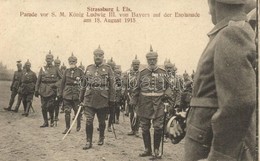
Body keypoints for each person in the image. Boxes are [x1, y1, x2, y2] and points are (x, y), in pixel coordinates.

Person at [183, 0, 256, 160]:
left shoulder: (232, 32)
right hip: (204, 141)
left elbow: (238, 104)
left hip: (210, 147)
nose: (209, 12)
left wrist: (220, 155)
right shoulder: (227, 32)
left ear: (213, 4)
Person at [130, 46, 170, 158]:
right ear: (147, 60)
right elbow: (137, 88)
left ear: (156, 60)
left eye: (154, 60)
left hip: (159, 104)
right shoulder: (142, 73)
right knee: (145, 127)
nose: (152, 62)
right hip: (144, 103)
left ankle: (156, 150)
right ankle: (147, 149)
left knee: (158, 127)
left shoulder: (163, 72)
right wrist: (133, 100)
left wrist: (166, 94)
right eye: (149, 60)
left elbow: (169, 87)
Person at [80, 46, 115, 150]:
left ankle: (101, 137)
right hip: (89, 98)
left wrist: (112, 100)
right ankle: (88, 141)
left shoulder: (108, 69)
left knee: (101, 122)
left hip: (102, 99)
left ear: (103, 57)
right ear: (93, 56)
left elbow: (112, 86)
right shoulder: (89, 68)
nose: (98, 57)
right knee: (89, 121)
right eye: (96, 55)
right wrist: (80, 97)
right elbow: (83, 84)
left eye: (100, 55)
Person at [35, 50, 62, 127]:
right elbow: (38, 80)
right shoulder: (42, 68)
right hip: (43, 90)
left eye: (50, 59)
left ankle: (52, 120)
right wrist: (36, 89)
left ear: (52, 60)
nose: (48, 60)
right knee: (43, 107)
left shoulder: (56, 69)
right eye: (47, 59)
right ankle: (46, 122)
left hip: (52, 90)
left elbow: (62, 79)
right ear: (45, 59)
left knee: (50, 106)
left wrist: (55, 85)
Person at [59, 53, 84, 134]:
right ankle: (67, 128)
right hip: (67, 93)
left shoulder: (80, 71)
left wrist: (82, 94)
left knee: (77, 111)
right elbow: (62, 83)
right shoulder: (66, 71)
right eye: (70, 61)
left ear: (76, 62)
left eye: (73, 61)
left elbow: (84, 82)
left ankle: (78, 125)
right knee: (67, 111)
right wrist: (61, 93)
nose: (71, 63)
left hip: (76, 94)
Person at [126, 55, 140, 137]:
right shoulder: (129, 74)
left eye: (137, 65)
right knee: (131, 113)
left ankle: (137, 130)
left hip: (138, 97)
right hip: (131, 96)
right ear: (132, 65)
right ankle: (132, 129)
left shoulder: (141, 74)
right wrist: (128, 95)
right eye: (135, 64)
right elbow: (127, 85)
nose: (136, 66)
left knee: (137, 114)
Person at [106, 58, 116, 132]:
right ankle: (102, 125)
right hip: (104, 95)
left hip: (113, 96)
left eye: (112, 66)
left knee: (112, 112)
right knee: (103, 111)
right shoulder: (104, 72)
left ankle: (109, 126)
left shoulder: (116, 74)